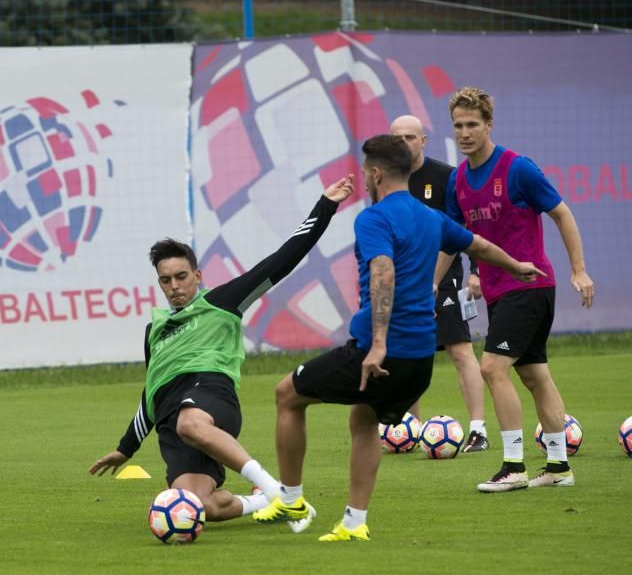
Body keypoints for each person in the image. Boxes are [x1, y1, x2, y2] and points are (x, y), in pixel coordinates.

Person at [254, 135, 545, 541]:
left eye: (365, 172)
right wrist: (516, 266)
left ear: (374, 174)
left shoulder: (372, 218)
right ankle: (354, 523)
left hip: (379, 353)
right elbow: (476, 244)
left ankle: (290, 497)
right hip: (421, 358)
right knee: (363, 419)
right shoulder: (430, 217)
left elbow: (383, 272)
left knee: (287, 394)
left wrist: (376, 344)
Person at [89, 175, 357, 527]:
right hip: (172, 424)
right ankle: (261, 501)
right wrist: (127, 447)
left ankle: (282, 495)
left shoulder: (221, 302)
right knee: (201, 507)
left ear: (197, 276)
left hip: (210, 398)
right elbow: (151, 391)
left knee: (191, 422)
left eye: (181, 276)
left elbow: (282, 260)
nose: (174, 286)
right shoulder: (153, 329)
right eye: (166, 280)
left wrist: (325, 205)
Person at [446, 87, 594, 492]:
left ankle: (513, 466)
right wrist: (428, 288)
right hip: (500, 292)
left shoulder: (517, 168)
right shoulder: (457, 179)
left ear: (489, 124)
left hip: (529, 285)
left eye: (473, 124)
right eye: (458, 125)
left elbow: (562, 214)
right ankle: (559, 466)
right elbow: (452, 238)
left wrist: (578, 270)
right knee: (535, 376)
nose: (465, 133)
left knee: (492, 368)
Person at [390, 115, 488, 452]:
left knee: (460, 350)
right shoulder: (387, 179)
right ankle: (410, 431)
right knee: (408, 356)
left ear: (423, 140)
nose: (404, 143)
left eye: (410, 137)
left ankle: (478, 430)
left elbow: (468, 226)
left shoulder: (446, 176)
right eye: (397, 138)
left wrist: (475, 269)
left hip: (445, 279)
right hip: (404, 283)